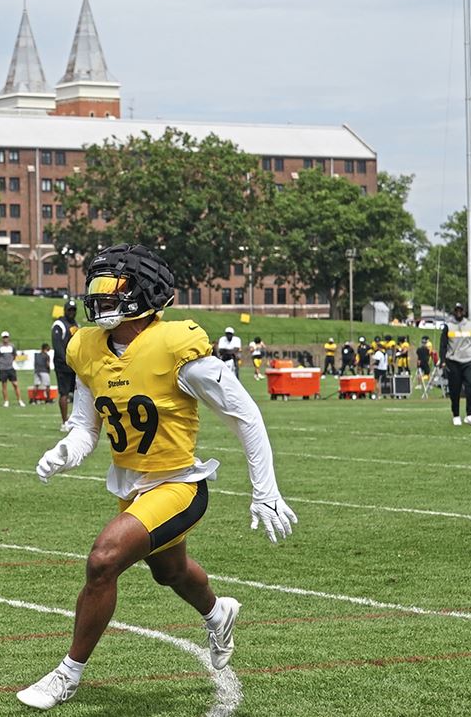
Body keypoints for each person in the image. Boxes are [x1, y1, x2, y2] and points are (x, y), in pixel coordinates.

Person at [18, 244, 297, 711]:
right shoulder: (87, 346)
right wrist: (65, 451)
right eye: (98, 285)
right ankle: (217, 611)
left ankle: (67, 674)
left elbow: (245, 415)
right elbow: (87, 426)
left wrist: (265, 491)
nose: (100, 295)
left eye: (114, 286)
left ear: (145, 293)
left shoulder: (176, 346)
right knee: (170, 572)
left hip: (179, 486)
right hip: (133, 485)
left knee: (104, 559)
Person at [439, 302, 471, 426]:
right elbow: (443, 345)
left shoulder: (470, 325)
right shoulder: (448, 326)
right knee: (455, 390)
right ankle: (456, 415)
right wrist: (443, 361)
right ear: (453, 311)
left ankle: (470, 414)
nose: (459, 312)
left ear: (464, 311)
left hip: (468, 360)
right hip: (453, 361)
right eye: (456, 310)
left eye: (460, 310)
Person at [51, 300, 79, 429]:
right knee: (64, 393)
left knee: (79, 392)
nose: (72, 312)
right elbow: (57, 346)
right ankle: (64, 422)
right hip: (63, 364)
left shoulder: (76, 325)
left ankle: (76, 420)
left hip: (75, 364)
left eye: (74, 310)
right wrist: (66, 360)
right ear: (65, 310)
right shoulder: (59, 324)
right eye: (70, 310)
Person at [0, 331, 24, 407]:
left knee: (15, 384)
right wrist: (1, 362)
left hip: (10, 368)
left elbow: (14, 355)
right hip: (2, 369)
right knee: (4, 385)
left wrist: (10, 361)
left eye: (6, 337)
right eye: (4, 337)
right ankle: (6, 401)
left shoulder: (12, 346)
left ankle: (20, 400)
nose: (5, 339)